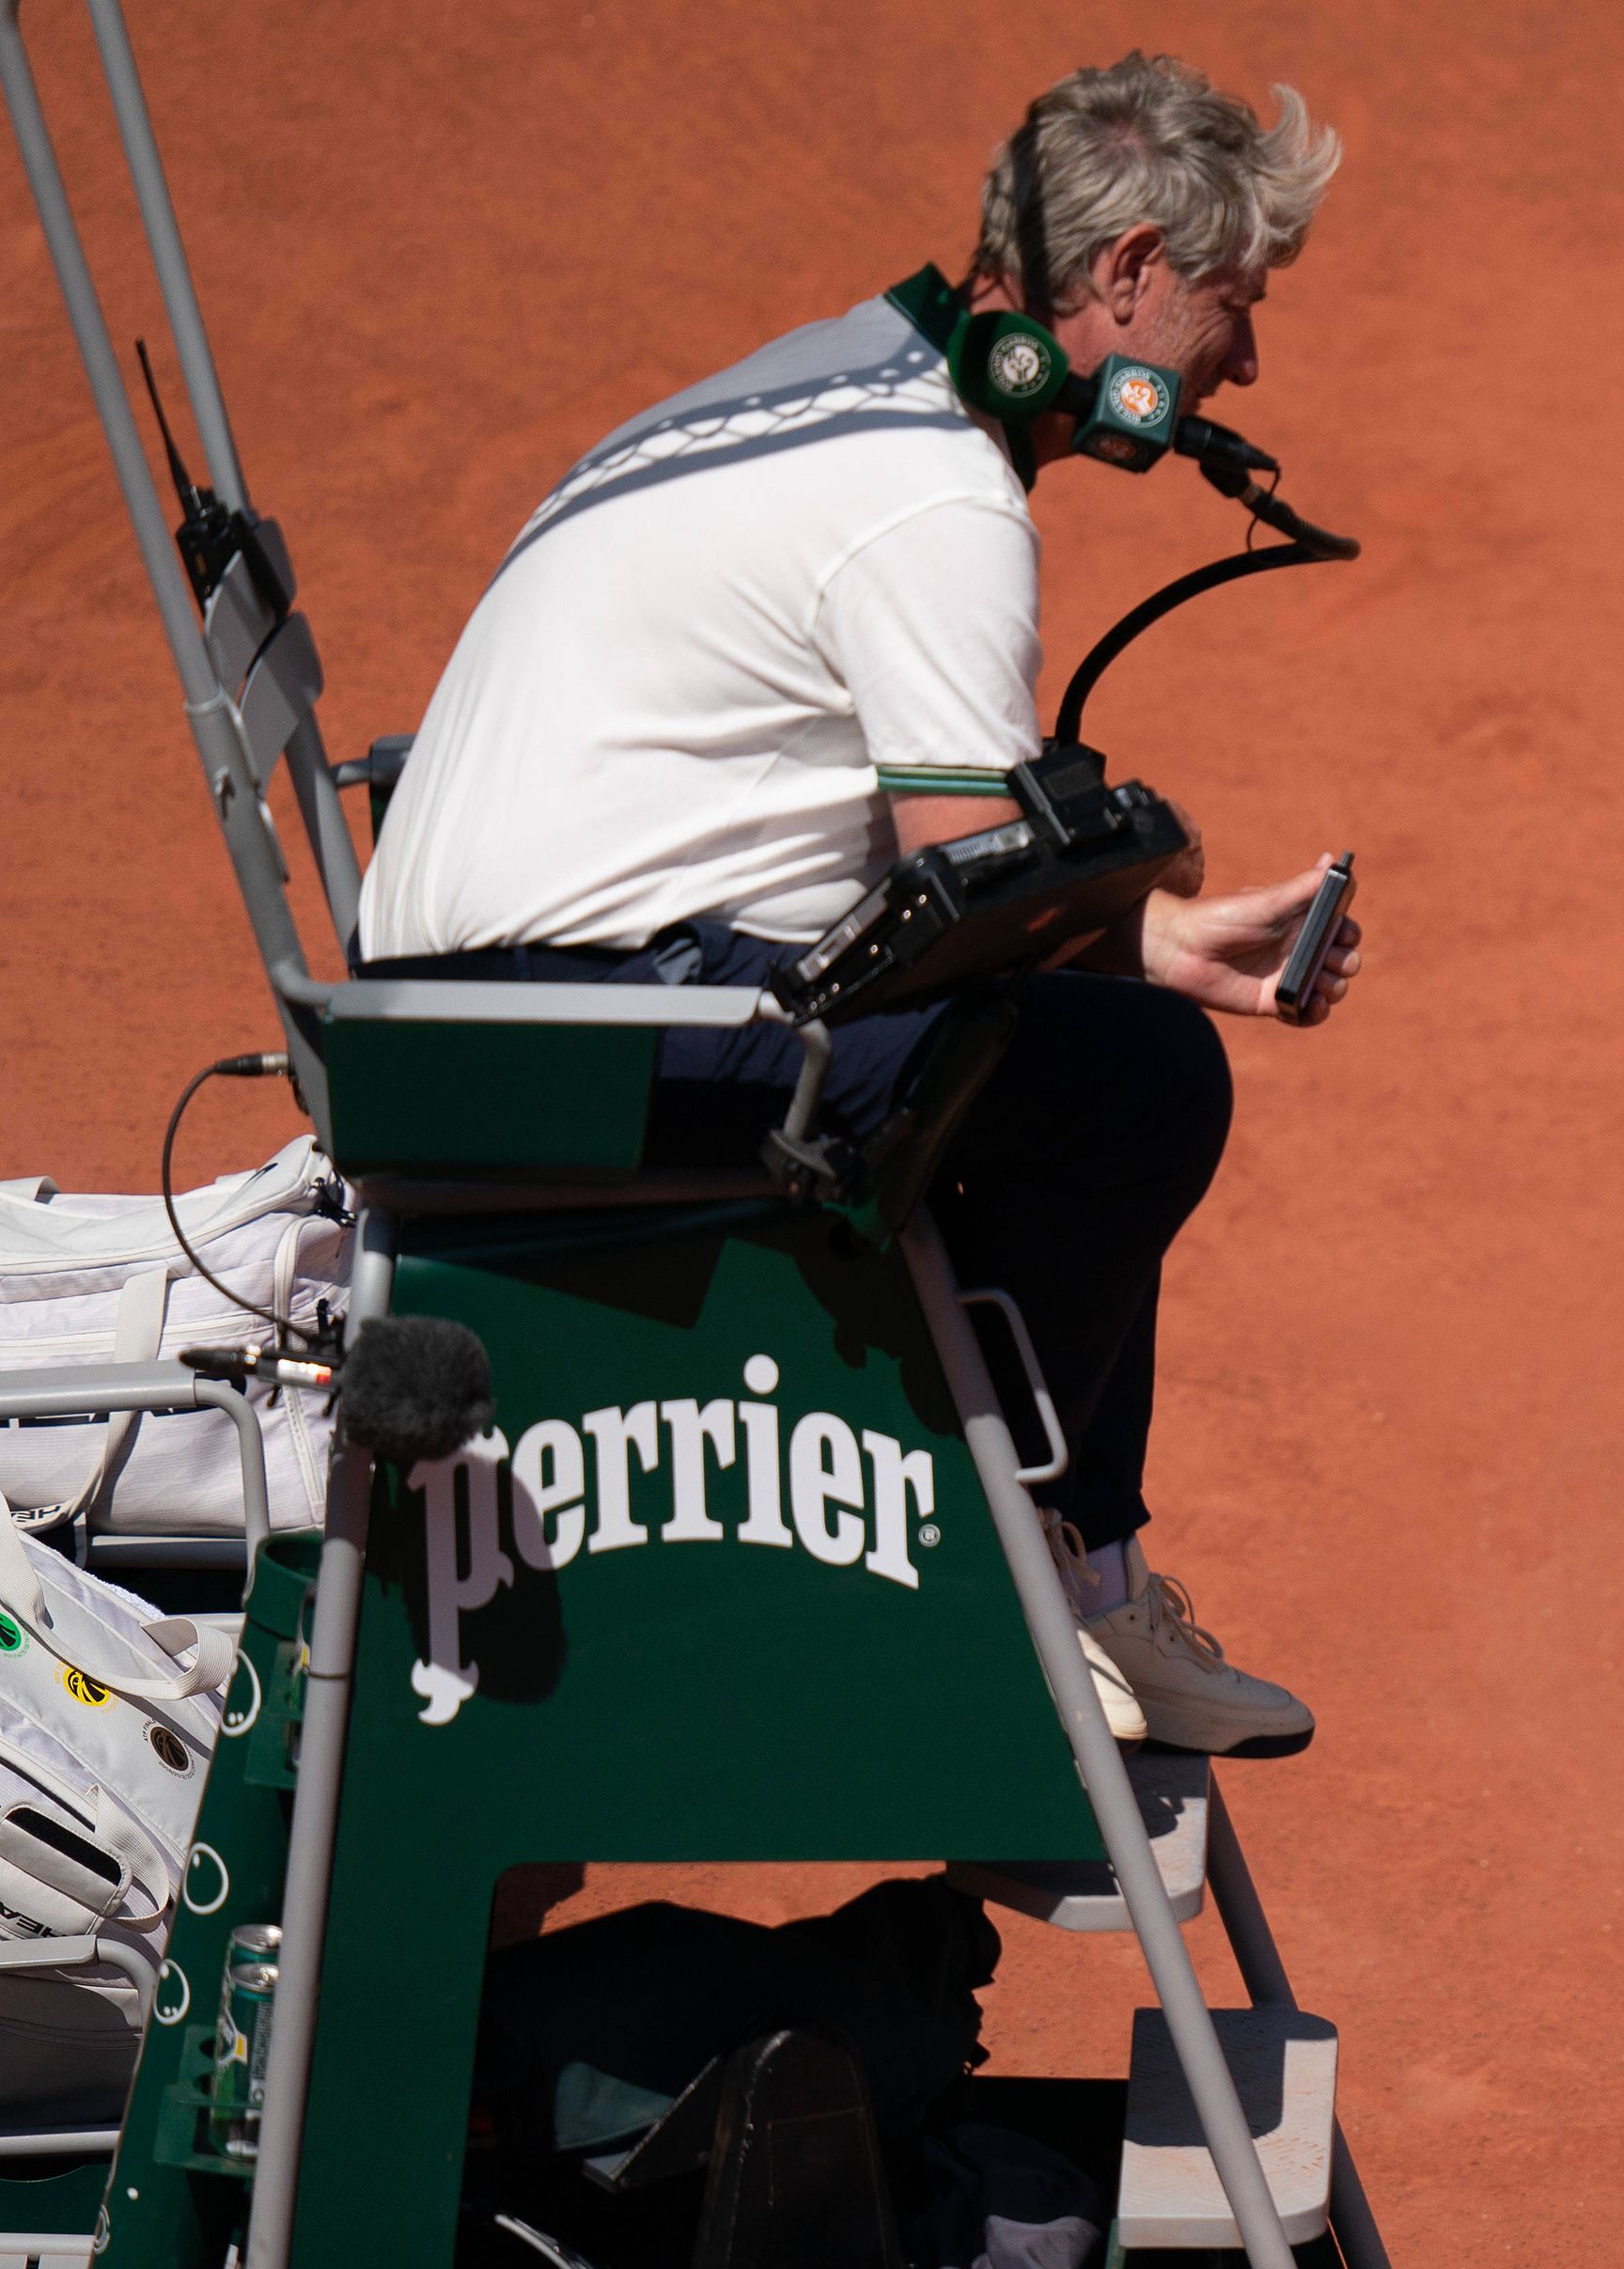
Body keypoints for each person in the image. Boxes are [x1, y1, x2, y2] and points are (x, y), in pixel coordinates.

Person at [358, 55, 1356, 1755]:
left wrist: (1152, 936)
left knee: (1084, 1033)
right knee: (1132, 1085)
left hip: (473, 1002)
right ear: (1121, 274)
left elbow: (906, 871)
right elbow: (962, 897)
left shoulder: (838, 376)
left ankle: (1088, 1574)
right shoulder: (938, 493)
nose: (1245, 360)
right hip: (578, 1030)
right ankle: (1015, 1579)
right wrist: (1137, 878)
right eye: (1231, 304)